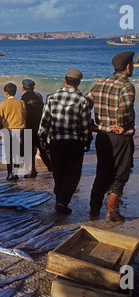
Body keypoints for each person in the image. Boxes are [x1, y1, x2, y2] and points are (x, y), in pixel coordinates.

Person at [85, 51, 135, 222]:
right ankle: (112, 211)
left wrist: (92, 124)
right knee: (121, 173)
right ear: (128, 67)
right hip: (120, 137)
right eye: (132, 66)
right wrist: (121, 124)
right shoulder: (126, 86)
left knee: (102, 172)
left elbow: (84, 104)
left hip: (102, 135)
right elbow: (125, 109)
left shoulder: (100, 83)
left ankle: (94, 209)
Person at [38, 69, 92, 214]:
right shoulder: (83, 100)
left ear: (64, 80)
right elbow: (86, 124)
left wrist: (43, 138)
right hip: (75, 142)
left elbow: (45, 121)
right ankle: (62, 202)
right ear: (79, 83)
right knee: (73, 174)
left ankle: (59, 200)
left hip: (56, 141)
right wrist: (87, 140)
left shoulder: (52, 97)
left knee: (58, 172)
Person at [0, 82, 26, 181]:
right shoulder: (21, 102)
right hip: (20, 130)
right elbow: (24, 116)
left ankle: (10, 174)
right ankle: (16, 174)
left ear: (6, 93)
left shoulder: (3, 104)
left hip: (8, 130)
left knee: (9, 153)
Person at [20, 79, 52, 178]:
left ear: (23, 88)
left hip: (28, 127)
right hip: (39, 126)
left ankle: (31, 170)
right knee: (42, 149)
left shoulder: (23, 99)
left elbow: (23, 114)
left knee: (29, 150)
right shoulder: (38, 97)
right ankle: (51, 167)